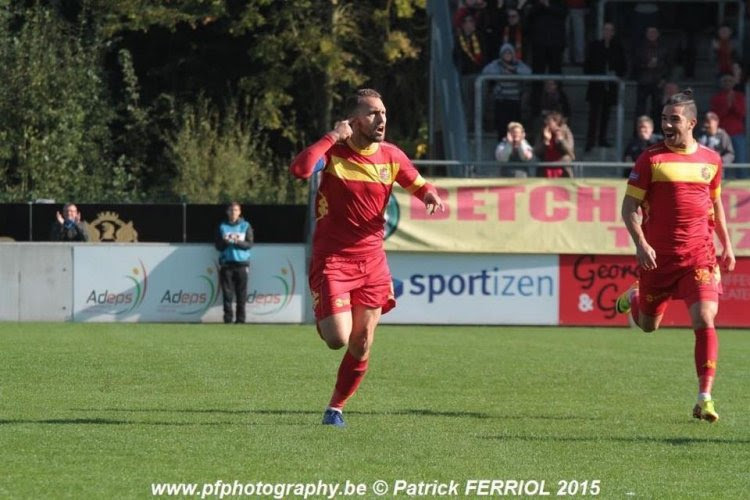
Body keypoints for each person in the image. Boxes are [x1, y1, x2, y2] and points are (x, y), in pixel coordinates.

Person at [289, 89, 444, 427]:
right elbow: (300, 170)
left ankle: (336, 408)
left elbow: (417, 182)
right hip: (333, 258)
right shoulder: (334, 153)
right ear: (354, 119)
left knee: (361, 342)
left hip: (372, 261)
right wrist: (333, 135)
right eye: (373, 113)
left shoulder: (391, 155)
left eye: (384, 113)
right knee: (337, 339)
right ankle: (326, 312)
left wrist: (429, 193)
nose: (382, 120)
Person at [616, 89, 736, 423]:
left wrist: (727, 243)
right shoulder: (651, 159)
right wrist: (641, 243)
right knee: (647, 325)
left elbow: (715, 204)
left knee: (705, 319)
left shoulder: (711, 160)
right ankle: (636, 295)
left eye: (674, 119)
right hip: (657, 260)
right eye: (664, 118)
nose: (667, 124)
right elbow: (629, 208)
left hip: (699, 254)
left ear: (692, 123)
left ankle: (705, 397)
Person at [584, 21, 627, 151]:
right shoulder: (595, 46)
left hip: (610, 87)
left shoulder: (618, 47)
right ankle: (590, 141)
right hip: (596, 85)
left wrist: (616, 74)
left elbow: (623, 66)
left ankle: (602, 139)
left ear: (613, 32)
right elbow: (588, 64)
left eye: (610, 30)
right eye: (605, 29)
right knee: (593, 114)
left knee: (606, 114)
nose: (607, 32)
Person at [481, 43, 531, 140]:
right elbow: (486, 71)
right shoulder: (497, 64)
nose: (507, 55)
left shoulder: (518, 64)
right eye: (505, 53)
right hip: (501, 100)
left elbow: (528, 72)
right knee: (502, 126)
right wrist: (501, 69)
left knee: (515, 126)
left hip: (514, 100)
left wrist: (513, 70)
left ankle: (515, 146)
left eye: (509, 53)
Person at [215, 202, 253, 324]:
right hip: (226, 264)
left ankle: (240, 320)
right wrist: (226, 242)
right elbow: (218, 246)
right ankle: (227, 319)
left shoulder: (245, 225)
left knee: (241, 294)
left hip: (242, 264)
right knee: (227, 294)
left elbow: (249, 244)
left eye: (236, 210)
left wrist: (237, 242)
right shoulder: (222, 226)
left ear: (240, 212)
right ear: (227, 212)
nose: (233, 213)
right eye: (231, 210)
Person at [633, 27, 671, 131]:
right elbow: (635, 64)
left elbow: (668, 65)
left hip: (658, 82)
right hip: (643, 81)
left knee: (657, 109)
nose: (652, 34)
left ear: (658, 34)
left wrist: (664, 79)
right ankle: (637, 133)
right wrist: (646, 65)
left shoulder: (663, 48)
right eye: (650, 32)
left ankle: (656, 132)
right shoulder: (640, 47)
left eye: (654, 32)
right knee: (640, 110)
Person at [710, 73, 747, 176]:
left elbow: (742, 113)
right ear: (721, 83)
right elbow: (715, 116)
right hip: (721, 134)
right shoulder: (716, 98)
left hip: (737, 133)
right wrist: (727, 105)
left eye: (730, 81)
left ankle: (744, 187)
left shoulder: (739, 96)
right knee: (722, 161)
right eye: (725, 81)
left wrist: (733, 103)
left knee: (741, 160)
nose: (727, 83)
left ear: (734, 82)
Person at [533, 111, 575, 178]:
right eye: (546, 120)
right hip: (545, 169)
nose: (546, 123)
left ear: (556, 122)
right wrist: (546, 141)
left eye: (549, 121)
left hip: (562, 169)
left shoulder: (566, 131)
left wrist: (561, 140)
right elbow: (536, 151)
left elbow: (570, 152)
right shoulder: (542, 132)